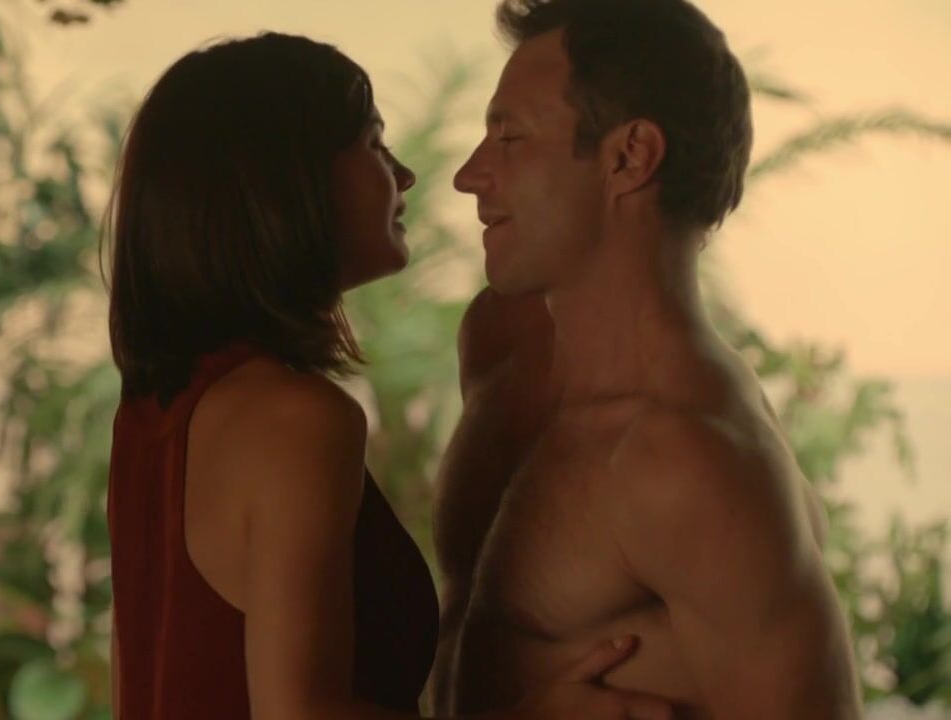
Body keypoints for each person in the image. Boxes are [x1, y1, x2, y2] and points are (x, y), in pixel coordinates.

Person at [105, 31, 672, 720]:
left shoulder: (159, 413)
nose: (403, 176)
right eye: (374, 144)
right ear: (289, 182)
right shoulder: (294, 419)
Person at [432, 1, 863, 718]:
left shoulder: (694, 466)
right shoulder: (501, 342)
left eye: (510, 138)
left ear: (630, 157)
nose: (470, 176)